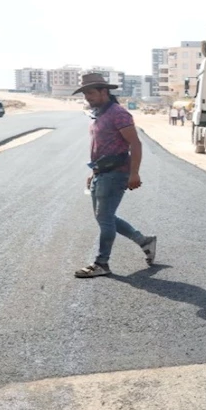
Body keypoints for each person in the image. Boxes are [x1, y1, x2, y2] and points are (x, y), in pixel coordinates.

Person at [72, 73, 157, 278]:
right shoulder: (99, 114)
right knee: (104, 217)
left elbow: (135, 144)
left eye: (91, 92)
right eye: (85, 93)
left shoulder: (118, 114)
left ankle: (102, 263)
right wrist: (94, 172)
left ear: (104, 91)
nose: (87, 97)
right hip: (101, 172)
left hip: (116, 173)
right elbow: (100, 147)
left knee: (105, 218)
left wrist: (134, 173)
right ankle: (144, 241)